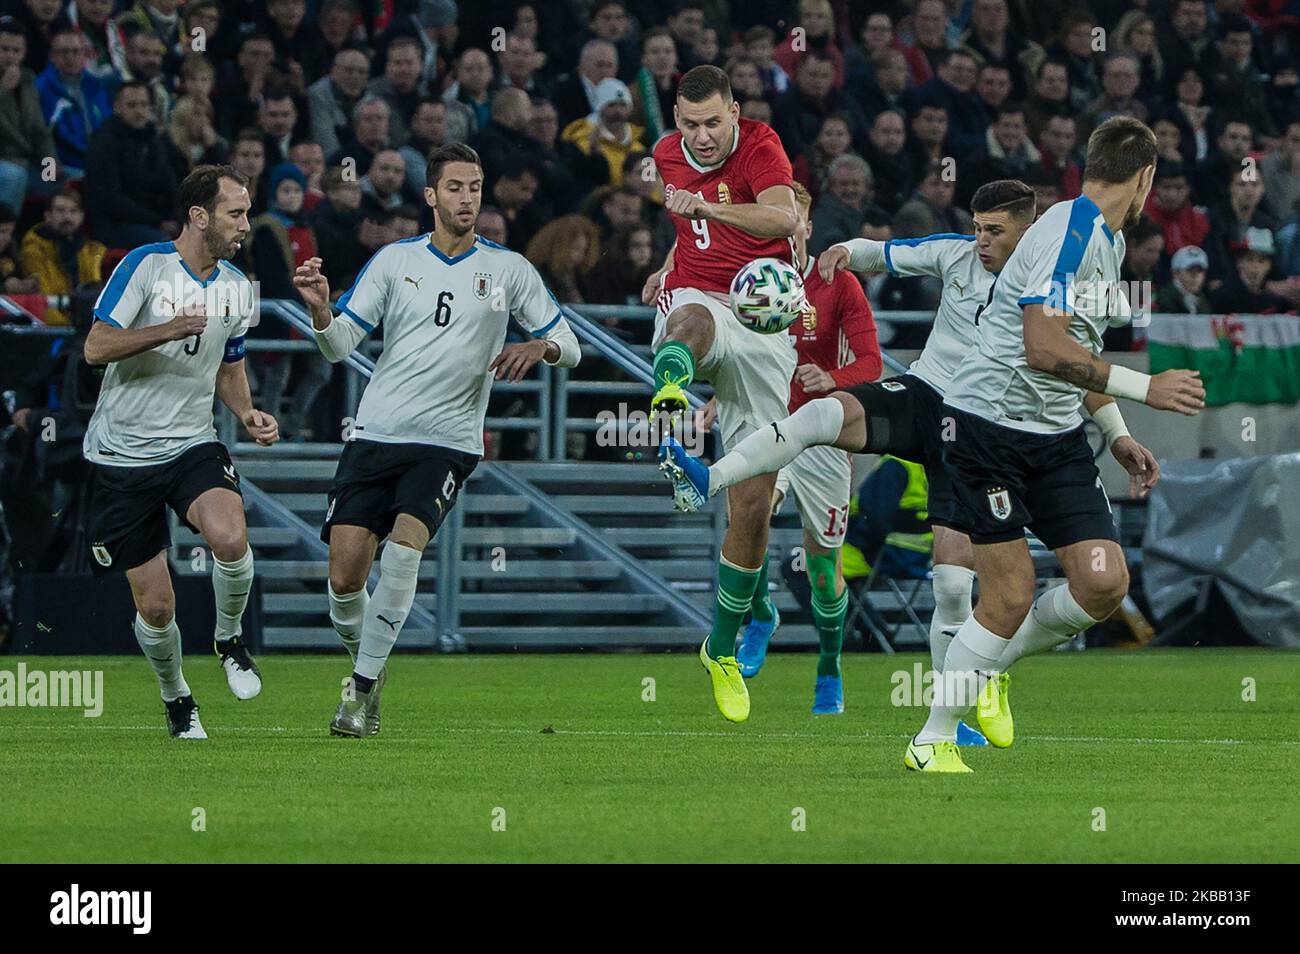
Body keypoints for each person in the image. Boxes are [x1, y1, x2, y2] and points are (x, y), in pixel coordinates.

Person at [660, 179, 1163, 746]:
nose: (980, 242)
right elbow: (892, 254)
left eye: (994, 231)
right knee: (826, 415)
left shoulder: (1053, 283)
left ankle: (966, 704)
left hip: (985, 430)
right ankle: (713, 474)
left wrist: (1117, 431)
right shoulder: (957, 255)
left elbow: (1080, 366)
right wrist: (844, 251)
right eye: (977, 228)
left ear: (1029, 230)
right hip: (928, 397)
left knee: (953, 580)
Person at [912, 117, 1205, 773]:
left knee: (1103, 582)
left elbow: (1077, 356)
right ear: (1145, 179)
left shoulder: (1100, 238)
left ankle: (986, 667)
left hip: (1055, 435)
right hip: (986, 427)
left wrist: (1116, 434)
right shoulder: (1073, 235)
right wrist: (1144, 386)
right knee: (1010, 595)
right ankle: (932, 740)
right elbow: (1043, 348)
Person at [292, 143, 581, 737]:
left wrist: (539, 345)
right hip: (376, 432)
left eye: (475, 187)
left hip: (449, 439)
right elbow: (341, 344)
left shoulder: (508, 270)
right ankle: (368, 662)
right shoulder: (395, 261)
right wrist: (322, 313)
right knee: (345, 581)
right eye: (455, 187)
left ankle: (360, 695)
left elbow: (571, 346)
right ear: (430, 196)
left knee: (403, 551)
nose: (467, 198)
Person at [80, 164, 278, 739]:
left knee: (230, 537)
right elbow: (96, 346)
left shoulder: (239, 288)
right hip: (123, 455)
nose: (245, 224)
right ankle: (177, 698)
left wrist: (246, 412)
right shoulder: (145, 266)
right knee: (158, 607)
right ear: (199, 216)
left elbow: (230, 365)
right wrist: (165, 329)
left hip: (193, 441)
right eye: (234, 213)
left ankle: (230, 639)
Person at [642, 65, 799, 724]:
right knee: (690, 324)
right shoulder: (663, 154)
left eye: (713, 122)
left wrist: (705, 206)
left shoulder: (763, 145)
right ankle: (671, 392)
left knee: (754, 502)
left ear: (735, 112)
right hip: (703, 299)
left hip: (764, 317)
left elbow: (780, 216)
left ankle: (724, 644)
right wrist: (670, 267)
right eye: (689, 124)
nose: (701, 137)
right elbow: (689, 234)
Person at [728, 181, 882, 715]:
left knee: (822, 572)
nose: (785, 228)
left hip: (821, 434)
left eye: (793, 220)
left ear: (807, 228)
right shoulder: (745, 282)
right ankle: (760, 616)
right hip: (767, 424)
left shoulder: (837, 284)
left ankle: (829, 667)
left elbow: (872, 365)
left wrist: (832, 379)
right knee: (749, 518)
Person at [83, 80, 180, 247]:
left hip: (153, 221)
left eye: (143, 105)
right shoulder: (104, 143)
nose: (139, 111)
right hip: (114, 225)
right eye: (132, 105)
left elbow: (170, 185)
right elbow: (110, 200)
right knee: (165, 245)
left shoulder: (154, 140)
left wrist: (176, 219)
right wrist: (158, 222)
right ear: (117, 107)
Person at [19, 188, 105, 325]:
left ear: (82, 216)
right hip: (55, 326)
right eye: (60, 211)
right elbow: (44, 300)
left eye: (73, 211)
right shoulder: (34, 249)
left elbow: (95, 293)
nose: (67, 217)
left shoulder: (92, 249)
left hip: (86, 325)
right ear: (47, 215)